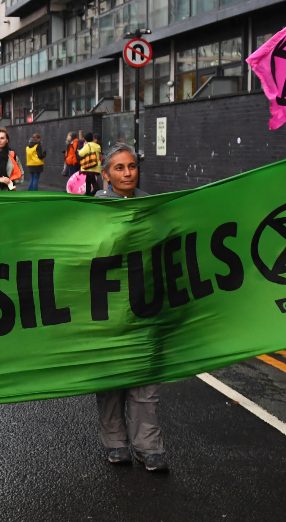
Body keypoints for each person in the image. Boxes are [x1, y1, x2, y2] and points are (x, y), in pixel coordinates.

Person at [92, 142, 168, 471]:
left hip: (146, 305)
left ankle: (148, 446)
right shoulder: (94, 210)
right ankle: (115, 442)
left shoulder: (152, 205)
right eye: (119, 168)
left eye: (132, 166)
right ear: (106, 175)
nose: (127, 173)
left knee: (146, 381)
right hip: (109, 309)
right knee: (111, 383)